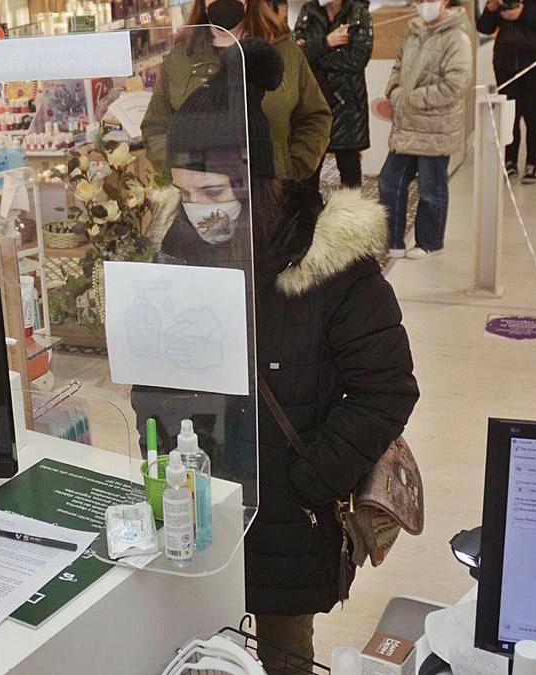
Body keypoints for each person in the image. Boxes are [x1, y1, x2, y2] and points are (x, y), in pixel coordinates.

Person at [137, 38, 419, 670]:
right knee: (199, 646)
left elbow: (388, 387)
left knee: (282, 654)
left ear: (256, 179)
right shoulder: (179, 251)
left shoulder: (331, 264)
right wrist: (159, 451)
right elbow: (152, 372)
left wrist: (313, 479)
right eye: (184, 193)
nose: (198, 212)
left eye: (213, 192)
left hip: (290, 513)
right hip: (197, 497)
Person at [141, 0, 331, 182]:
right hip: (200, 202)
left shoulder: (283, 51)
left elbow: (315, 116)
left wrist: (294, 166)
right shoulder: (180, 57)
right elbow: (155, 127)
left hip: (273, 196)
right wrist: (179, 174)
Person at [376, 0, 471, 259]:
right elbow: (398, 65)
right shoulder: (413, 30)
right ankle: (392, 241)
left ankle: (429, 242)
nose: (424, 5)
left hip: (435, 128)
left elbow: (455, 86)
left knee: (431, 188)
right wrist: (394, 91)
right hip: (407, 125)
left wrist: (409, 99)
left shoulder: (457, 38)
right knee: (389, 182)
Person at [477, 0, 536, 184]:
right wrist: (490, 9)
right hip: (505, 61)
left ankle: (532, 163)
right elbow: (485, 27)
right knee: (509, 113)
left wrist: (523, 14)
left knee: (533, 113)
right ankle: (510, 160)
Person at [293, 0, 374, 188]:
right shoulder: (309, 10)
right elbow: (297, 55)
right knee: (309, 173)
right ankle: (311, 215)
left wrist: (315, 56)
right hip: (315, 101)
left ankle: (351, 214)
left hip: (348, 104)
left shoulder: (358, 12)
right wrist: (326, 42)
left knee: (349, 171)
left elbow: (357, 59)